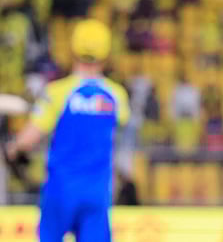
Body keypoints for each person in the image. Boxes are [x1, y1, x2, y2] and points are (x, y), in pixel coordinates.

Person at [5, 19, 130, 242]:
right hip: (97, 192)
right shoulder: (117, 96)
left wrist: (11, 149)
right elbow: (121, 126)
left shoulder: (57, 93)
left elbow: (28, 139)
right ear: (107, 52)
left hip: (60, 190)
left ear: (72, 48)